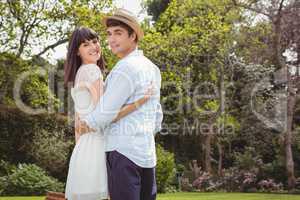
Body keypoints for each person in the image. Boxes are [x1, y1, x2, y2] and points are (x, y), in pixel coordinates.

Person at [79, 8, 163, 200]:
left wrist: (87, 123)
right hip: (147, 154)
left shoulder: (125, 68)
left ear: (133, 35)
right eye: (109, 34)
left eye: (118, 33)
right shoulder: (153, 68)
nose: (111, 39)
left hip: (122, 152)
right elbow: (157, 117)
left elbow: (104, 113)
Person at [63, 27, 153, 200]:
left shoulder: (79, 74)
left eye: (95, 41)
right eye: (85, 44)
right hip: (97, 144)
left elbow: (77, 124)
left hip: (83, 147)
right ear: (77, 51)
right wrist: (139, 102)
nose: (93, 47)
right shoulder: (92, 71)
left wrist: (80, 151)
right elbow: (105, 115)